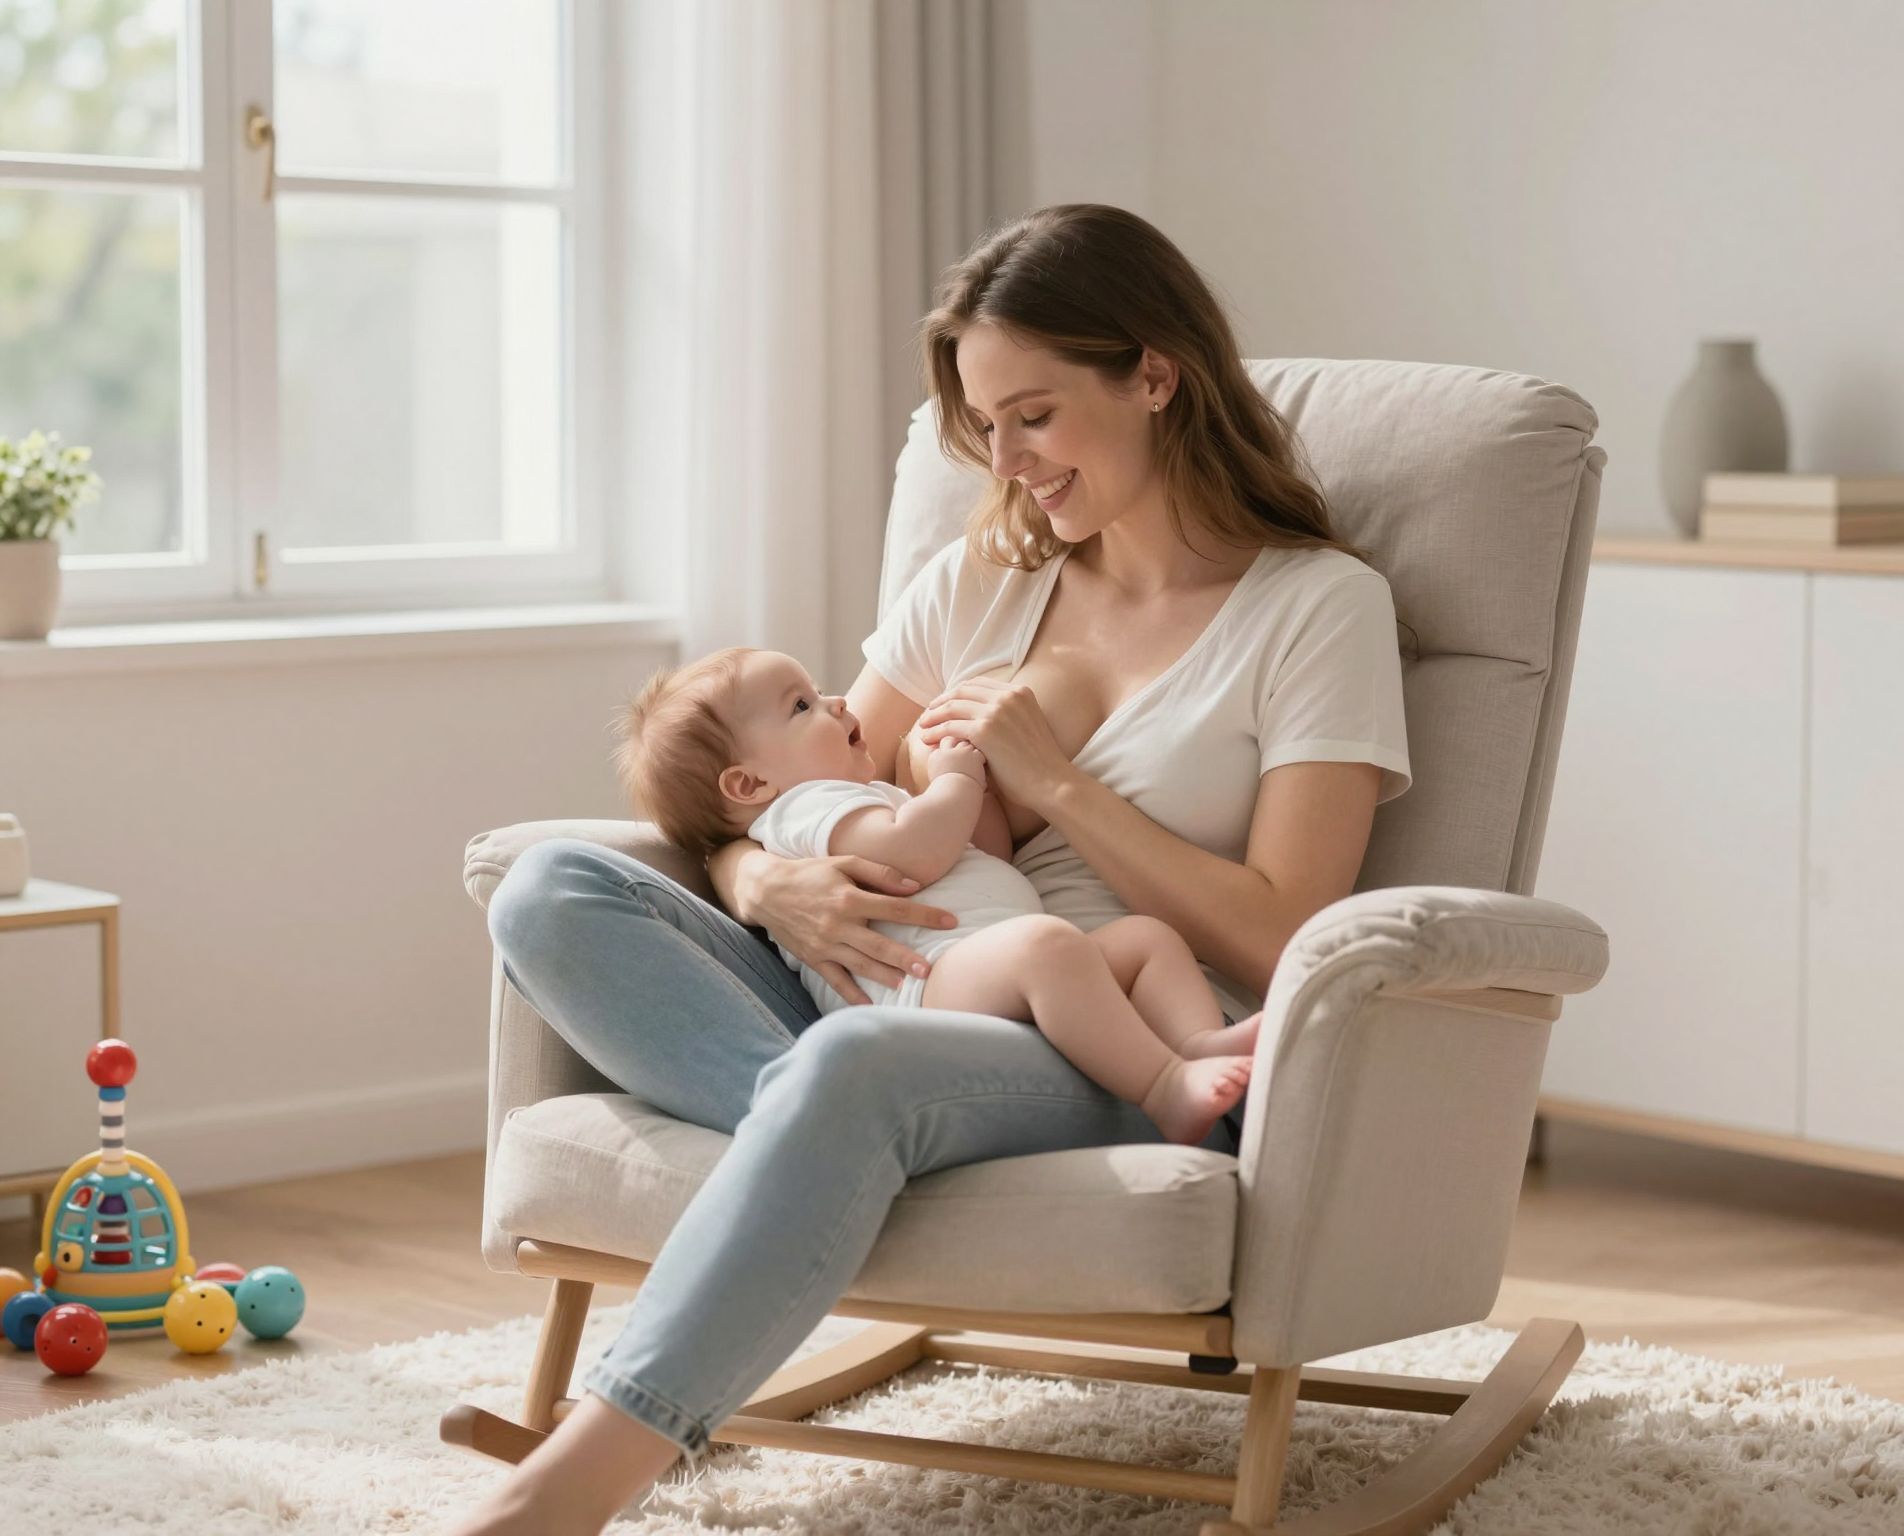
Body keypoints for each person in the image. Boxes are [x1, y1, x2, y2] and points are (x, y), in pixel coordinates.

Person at [449, 202, 1412, 1536]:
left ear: (1153, 374)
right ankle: (818, 1152)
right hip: (878, 991)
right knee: (548, 887)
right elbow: (792, 788)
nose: (1005, 462)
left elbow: (1293, 930)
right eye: (983, 426)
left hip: (1109, 1035)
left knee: (850, 1075)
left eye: (1033, 416)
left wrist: (1063, 786)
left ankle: (567, 1491)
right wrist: (754, 884)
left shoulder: (1315, 609)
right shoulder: (982, 581)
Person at [611, 645, 1263, 1145]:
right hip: (922, 992)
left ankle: (1196, 1045)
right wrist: (951, 783)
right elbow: (917, 850)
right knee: (1048, 947)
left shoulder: (863, 801)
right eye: (801, 706)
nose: (837, 701)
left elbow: (976, 856)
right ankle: (1164, 1086)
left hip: (974, 967)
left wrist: (969, 781)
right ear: (750, 784)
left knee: (1145, 939)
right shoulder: (804, 815)